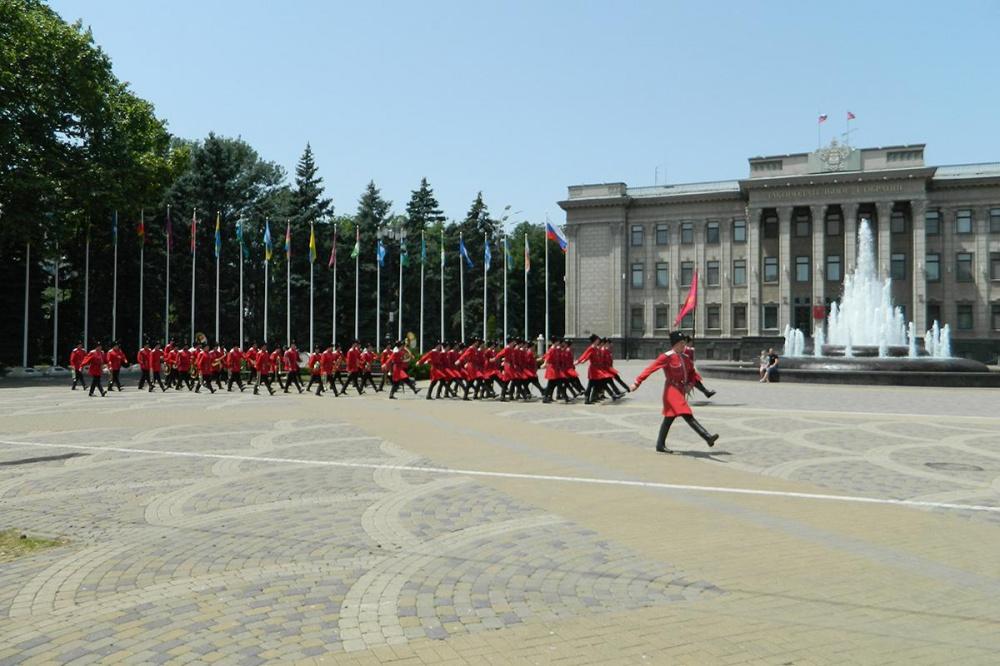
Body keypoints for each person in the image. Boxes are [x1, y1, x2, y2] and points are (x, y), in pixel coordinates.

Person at [630, 330, 719, 452]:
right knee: (686, 413)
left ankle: (660, 445)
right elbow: (650, 369)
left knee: (669, 418)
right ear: (675, 344)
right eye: (682, 343)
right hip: (671, 390)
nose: (684, 345)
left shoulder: (686, 358)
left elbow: (693, 374)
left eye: (684, 343)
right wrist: (637, 382)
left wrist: (690, 384)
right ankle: (707, 436)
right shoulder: (666, 357)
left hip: (681, 390)